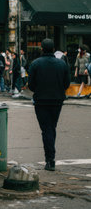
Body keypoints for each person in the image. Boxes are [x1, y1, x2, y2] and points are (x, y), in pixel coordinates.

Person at [28, 38, 70, 171]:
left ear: (41, 49)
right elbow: (67, 83)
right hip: (57, 99)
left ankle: (50, 159)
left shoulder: (35, 64)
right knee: (51, 127)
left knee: (46, 128)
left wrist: (39, 89)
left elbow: (31, 85)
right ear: (53, 49)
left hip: (41, 100)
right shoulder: (62, 64)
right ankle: (50, 157)